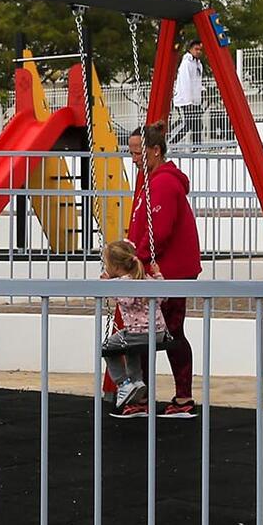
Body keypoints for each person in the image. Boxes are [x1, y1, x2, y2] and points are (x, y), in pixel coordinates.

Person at [125, 123, 200, 419]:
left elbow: (160, 230)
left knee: (161, 332)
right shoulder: (153, 180)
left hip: (167, 271)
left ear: (155, 151)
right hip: (161, 269)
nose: (133, 159)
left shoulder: (163, 183)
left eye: (137, 153)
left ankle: (174, 398)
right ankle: (171, 397)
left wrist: (135, 260)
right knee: (156, 332)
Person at [96, 240, 163, 419]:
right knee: (131, 350)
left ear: (116, 267)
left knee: (107, 348)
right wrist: (158, 275)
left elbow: (127, 300)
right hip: (159, 333)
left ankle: (123, 383)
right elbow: (163, 296)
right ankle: (137, 381)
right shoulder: (145, 277)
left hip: (139, 332)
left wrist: (108, 286)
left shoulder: (124, 282)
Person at [170, 41, 206, 148]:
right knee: (189, 124)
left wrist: (201, 92)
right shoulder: (186, 63)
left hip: (195, 100)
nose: (198, 52)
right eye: (196, 49)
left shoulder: (198, 64)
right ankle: (172, 143)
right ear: (190, 49)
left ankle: (197, 146)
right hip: (186, 100)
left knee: (197, 124)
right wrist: (188, 100)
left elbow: (197, 81)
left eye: (200, 50)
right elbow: (185, 82)